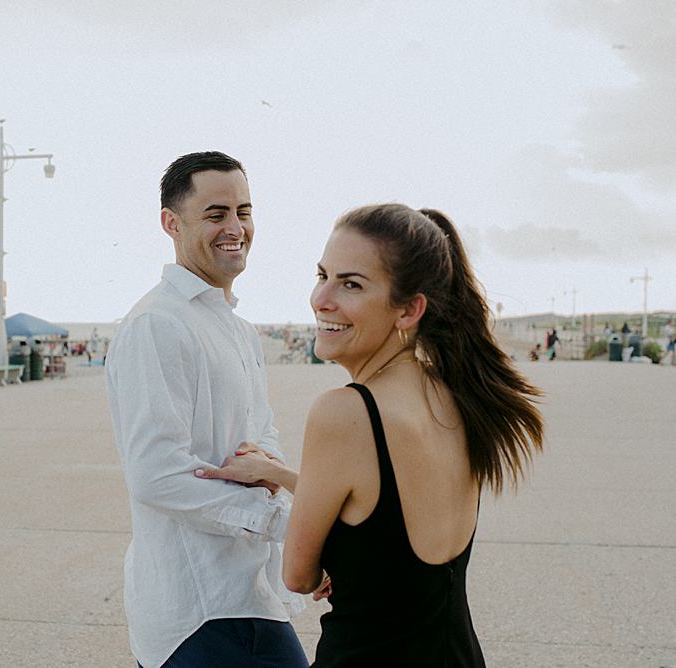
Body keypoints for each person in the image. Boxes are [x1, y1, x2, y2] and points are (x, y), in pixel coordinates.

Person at [198, 204, 544, 665]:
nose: (321, 299)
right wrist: (280, 474)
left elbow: (299, 576)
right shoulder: (456, 394)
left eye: (351, 284)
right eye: (323, 275)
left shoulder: (346, 413)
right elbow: (385, 519)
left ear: (409, 309)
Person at [105, 151, 306, 668]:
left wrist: (280, 508)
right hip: (196, 609)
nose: (235, 228)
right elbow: (156, 475)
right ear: (171, 224)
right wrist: (282, 523)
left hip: (252, 592)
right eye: (216, 214)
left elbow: (263, 441)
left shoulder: (239, 330)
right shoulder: (157, 325)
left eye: (244, 211)